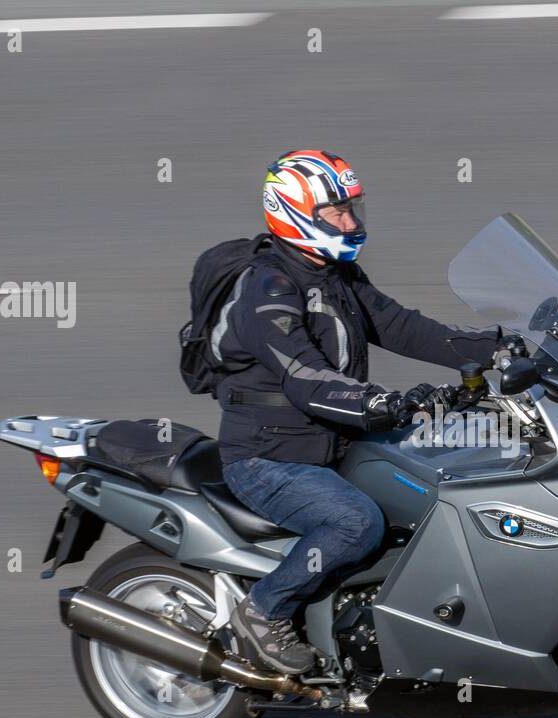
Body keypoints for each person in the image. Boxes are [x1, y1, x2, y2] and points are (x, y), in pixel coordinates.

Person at [210, 149, 510, 674]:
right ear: (293, 211)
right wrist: (383, 403)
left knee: (449, 480)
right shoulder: (268, 289)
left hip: (332, 444)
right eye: (337, 213)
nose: (351, 221)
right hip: (269, 458)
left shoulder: (336, 275)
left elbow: (402, 327)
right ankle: (261, 612)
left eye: (353, 208)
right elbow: (304, 378)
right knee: (356, 523)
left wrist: (500, 344)